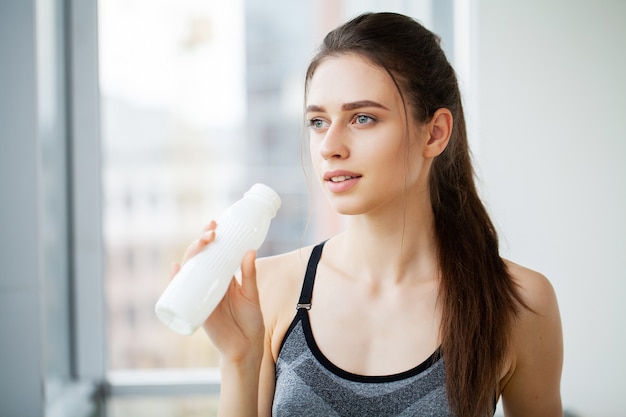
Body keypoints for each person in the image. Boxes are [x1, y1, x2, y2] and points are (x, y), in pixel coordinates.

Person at [173, 11, 563, 417]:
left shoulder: (518, 303)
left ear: (435, 133)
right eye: (318, 121)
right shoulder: (271, 289)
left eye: (362, 118)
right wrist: (238, 358)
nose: (329, 146)